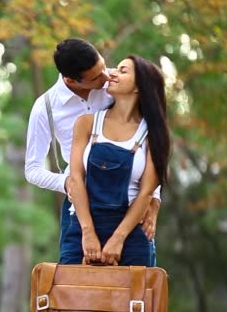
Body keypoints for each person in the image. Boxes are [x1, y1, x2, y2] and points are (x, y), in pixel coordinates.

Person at [24, 38, 161, 265]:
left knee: (136, 290)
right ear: (71, 80)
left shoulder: (117, 85)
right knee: (77, 288)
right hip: (80, 203)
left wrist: (153, 201)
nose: (106, 77)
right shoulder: (46, 107)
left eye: (104, 67)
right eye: (96, 77)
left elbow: (150, 144)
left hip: (129, 204)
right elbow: (32, 169)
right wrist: (67, 182)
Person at [62, 55, 170, 266]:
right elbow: (75, 178)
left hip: (131, 234)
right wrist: (88, 232)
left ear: (140, 86)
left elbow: (147, 192)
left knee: (134, 298)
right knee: (72, 296)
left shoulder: (153, 134)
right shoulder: (86, 123)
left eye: (123, 71)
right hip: (82, 227)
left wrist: (118, 239)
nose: (112, 73)